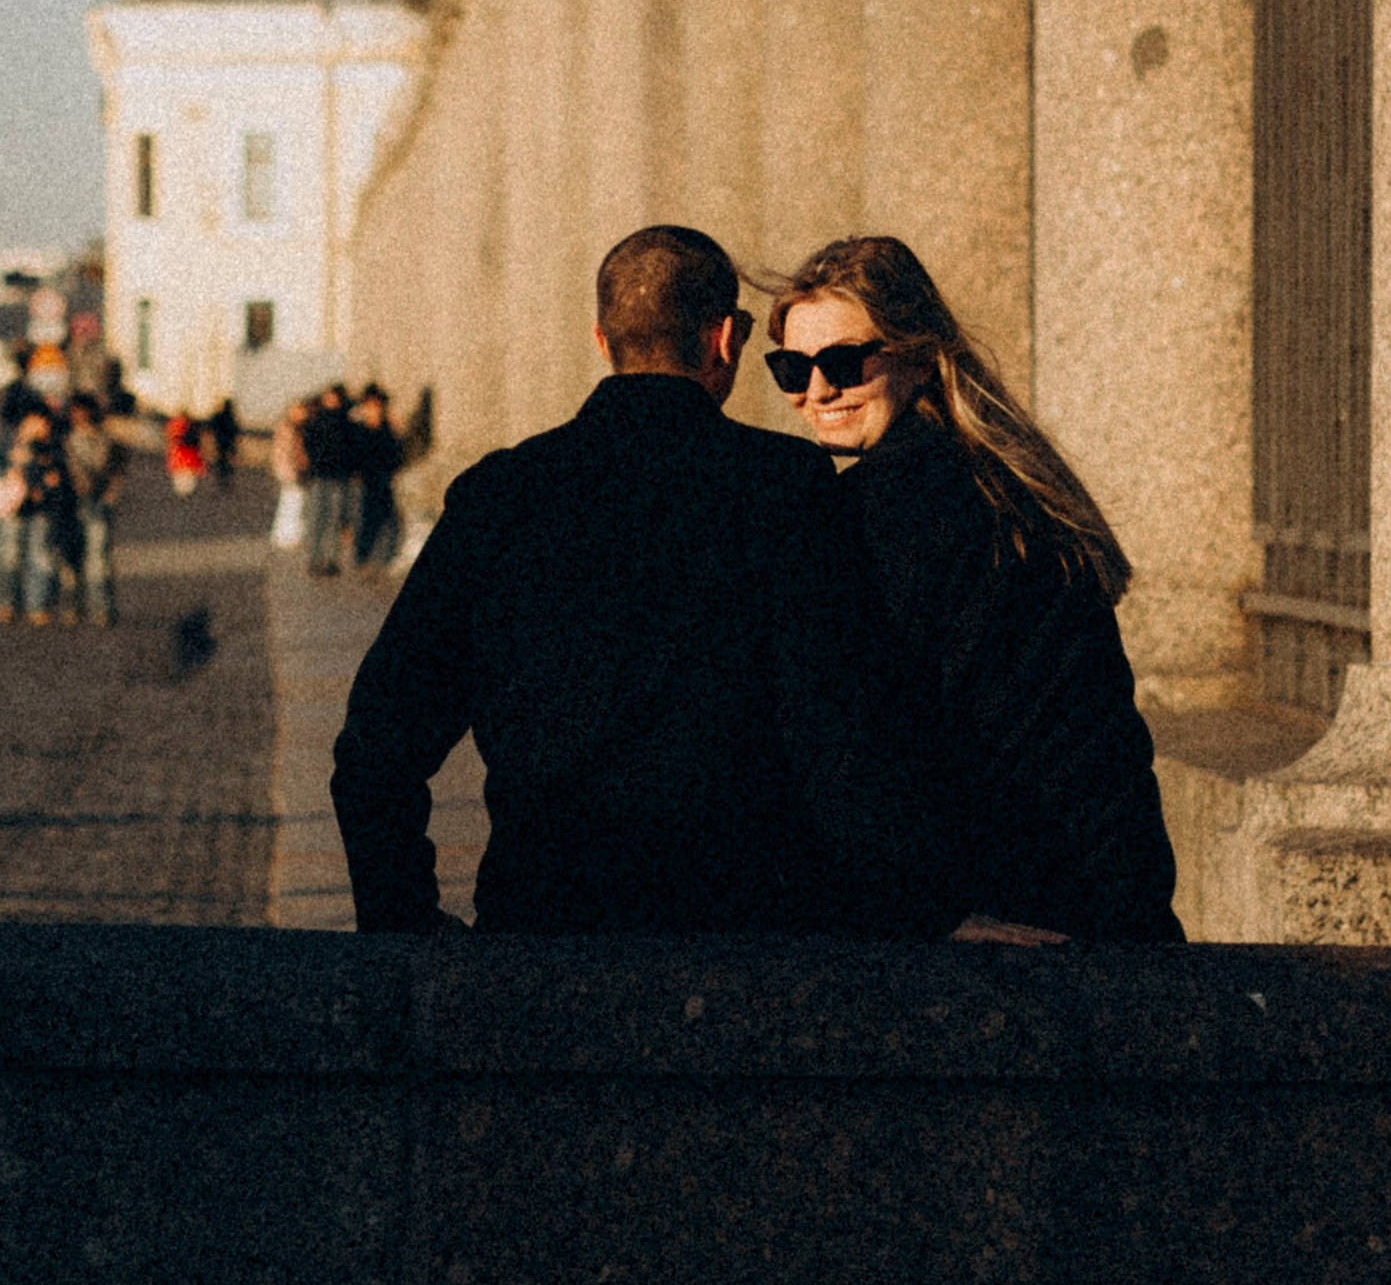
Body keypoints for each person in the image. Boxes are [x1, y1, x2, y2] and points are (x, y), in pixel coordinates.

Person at [331, 225, 954, 935]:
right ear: (726, 339)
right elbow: (841, 733)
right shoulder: (785, 486)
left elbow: (376, 744)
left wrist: (404, 924)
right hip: (745, 936)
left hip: (543, 928)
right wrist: (924, 907)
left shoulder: (500, 495)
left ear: (602, 342)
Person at [762, 235, 1183, 943]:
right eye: (790, 367)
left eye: (842, 362)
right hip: (1106, 888)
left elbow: (855, 741)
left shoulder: (865, 513)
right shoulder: (1019, 488)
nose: (817, 390)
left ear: (919, 355)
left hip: (1001, 909)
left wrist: (930, 910)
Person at [1, 409, 74, 625]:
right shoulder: (9, 445)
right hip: (12, 509)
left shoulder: (52, 447)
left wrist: (44, 483)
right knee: (8, 556)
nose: (43, 427)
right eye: (38, 422)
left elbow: (59, 477)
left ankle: (38, 606)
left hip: (41, 510)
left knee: (41, 556)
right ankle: (6, 604)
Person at [61, 395, 125, 626]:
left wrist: (111, 495)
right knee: (71, 558)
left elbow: (117, 472)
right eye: (76, 412)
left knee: (99, 557)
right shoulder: (64, 442)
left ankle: (102, 609)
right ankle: (71, 608)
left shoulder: (107, 441)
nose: (81, 417)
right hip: (71, 506)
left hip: (98, 504)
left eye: (84, 411)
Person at [349, 387, 404, 570]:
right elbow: (353, 454)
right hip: (364, 481)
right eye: (370, 406)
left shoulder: (388, 428)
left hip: (383, 480)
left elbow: (397, 453)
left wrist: (396, 430)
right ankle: (361, 557)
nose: (374, 410)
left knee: (389, 520)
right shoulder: (358, 428)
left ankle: (384, 558)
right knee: (365, 520)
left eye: (377, 406)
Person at [304, 385, 353, 574]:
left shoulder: (346, 422)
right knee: (317, 519)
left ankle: (331, 560)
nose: (330, 400)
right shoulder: (316, 420)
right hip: (320, 476)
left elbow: (350, 449)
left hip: (339, 478)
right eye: (328, 397)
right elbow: (309, 444)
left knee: (334, 519)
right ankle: (315, 559)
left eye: (333, 398)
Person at [270, 399, 311, 550]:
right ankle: (288, 536)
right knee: (292, 503)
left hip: (288, 470)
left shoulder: (292, 428)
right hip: (290, 471)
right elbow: (287, 452)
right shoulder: (289, 429)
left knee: (291, 503)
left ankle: (286, 535)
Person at [165, 411, 205, 498]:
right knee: (188, 473)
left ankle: (182, 490)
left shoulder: (174, 423)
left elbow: (171, 437)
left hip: (180, 452)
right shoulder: (191, 425)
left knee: (181, 472)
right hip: (189, 453)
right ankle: (186, 490)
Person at [203, 398, 240, 490]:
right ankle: (226, 480)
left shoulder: (219, 415)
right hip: (229, 443)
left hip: (219, 442)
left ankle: (221, 480)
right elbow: (235, 431)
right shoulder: (231, 417)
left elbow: (211, 424)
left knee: (220, 461)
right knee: (227, 462)